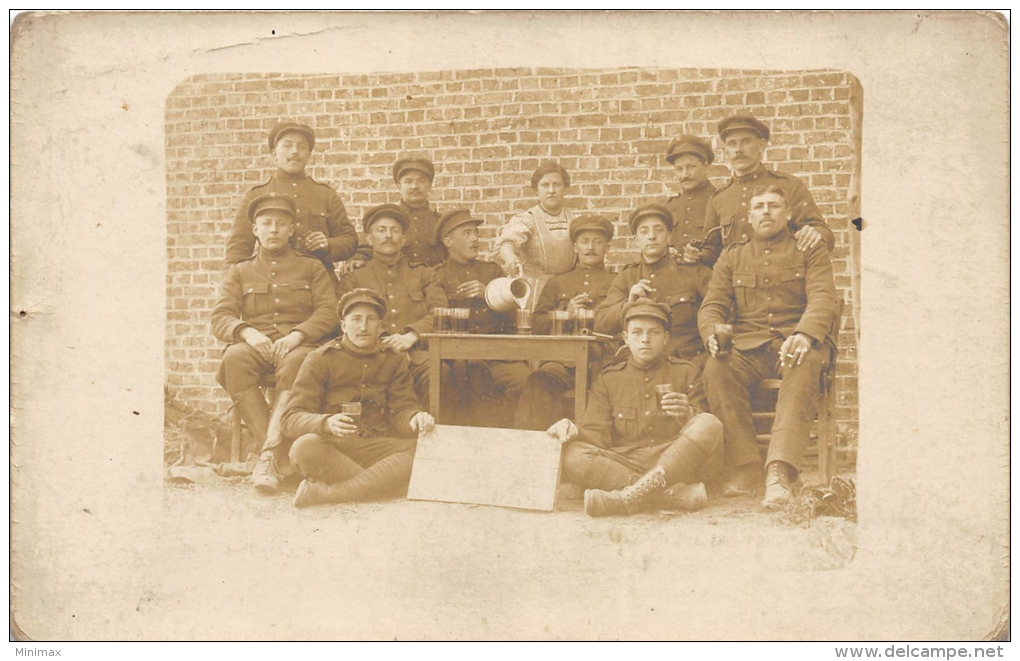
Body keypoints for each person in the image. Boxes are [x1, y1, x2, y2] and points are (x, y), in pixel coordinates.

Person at [698, 184, 838, 509]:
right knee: (717, 368)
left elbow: (823, 297)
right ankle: (746, 468)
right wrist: (711, 334)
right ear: (749, 217)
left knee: (801, 363)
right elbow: (712, 305)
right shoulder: (732, 255)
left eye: (773, 206)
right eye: (758, 206)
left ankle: (779, 472)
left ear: (788, 214)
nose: (765, 212)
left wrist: (804, 335)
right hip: (750, 347)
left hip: (799, 340)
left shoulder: (809, 249)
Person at [546, 298, 724, 517]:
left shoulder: (686, 372)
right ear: (626, 338)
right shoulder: (609, 379)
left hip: (677, 462)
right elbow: (597, 435)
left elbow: (704, 431)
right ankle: (667, 496)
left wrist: (687, 414)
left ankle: (627, 497)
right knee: (571, 454)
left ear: (665, 338)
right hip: (626, 462)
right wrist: (575, 430)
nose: (645, 340)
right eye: (637, 332)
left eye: (654, 333)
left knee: (709, 423)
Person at [211, 194, 339, 495]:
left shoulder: (311, 268)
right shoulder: (240, 270)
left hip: (298, 347)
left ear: (291, 229)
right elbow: (221, 316)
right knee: (234, 359)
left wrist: (298, 335)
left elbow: (328, 312)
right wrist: (246, 332)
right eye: (266, 224)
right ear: (255, 229)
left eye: (281, 224)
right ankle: (275, 455)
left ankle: (267, 457)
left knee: (300, 362)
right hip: (257, 347)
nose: (273, 230)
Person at [281, 289, 436, 508]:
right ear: (343, 325)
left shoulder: (393, 359)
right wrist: (325, 422)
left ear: (380, 325)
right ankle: (384, 485)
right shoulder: (319, 359)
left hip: (375, 447)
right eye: (356, 319)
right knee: (303, 447)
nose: (363, 327)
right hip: (335, 447)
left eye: (370, 319)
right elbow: (290, 418)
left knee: (421, 450)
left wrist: (414, 417)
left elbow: (403, 407)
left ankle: (331, 494)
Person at [514, 213, 618, 431]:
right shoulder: (558, 283)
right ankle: (534, 448)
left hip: (604, 362)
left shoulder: (617, 282)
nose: (591, 247)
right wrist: (565, 313)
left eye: (598, 242)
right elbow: (536, 325)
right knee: (538, 381)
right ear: (575, 247)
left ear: (607, 248)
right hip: (564, 364)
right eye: (585, 241)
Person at [224, 121, 358, 286]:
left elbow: (350, 240)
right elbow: (238, 249)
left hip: (318, 284)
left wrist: (328, 244)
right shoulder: (257, 196)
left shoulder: (325, 195)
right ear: (274, 153)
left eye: (301, 147)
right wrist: (233, 289)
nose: (295, 152)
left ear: (309, 154)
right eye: (287, 145)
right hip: (272, 285)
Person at [337, 204, 446, 402]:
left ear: (403, 239)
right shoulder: (354, 278)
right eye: (381, 230)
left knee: (438, 373)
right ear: (369, 239)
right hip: (370, 353)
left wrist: (412, 335)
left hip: (416, 354)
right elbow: (345, 318)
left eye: (395, 230)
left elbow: (439, 312)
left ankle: (430, 430)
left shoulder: (423, 274)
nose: (388, 235)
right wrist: (385, 343)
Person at [431, 209, 529, 426]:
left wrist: (489, 294)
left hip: (497, 355)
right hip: (459, 358)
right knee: (473, 376)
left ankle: (506, 433)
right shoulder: (436, 276)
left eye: (475, 233)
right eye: (466, 234)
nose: (475, 239)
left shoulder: (491, 271)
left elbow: (512, 319)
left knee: (524, 379)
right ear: (448, 241)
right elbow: (435, 319)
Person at [595, 204, 712, 369]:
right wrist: (627, 304)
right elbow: (600, 323)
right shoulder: (627, 276)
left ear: (669, 236)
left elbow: (721, 311)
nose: (651, 236)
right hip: (639, 367)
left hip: (686, 364)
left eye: (658, 230)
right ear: (636, 240)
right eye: (644, 231)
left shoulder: (693, 272)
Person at [704, 112, 834, 260]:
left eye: (746, 142)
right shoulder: (719, 199)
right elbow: (712, 254)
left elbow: (825, 234)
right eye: (732, 143)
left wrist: (814, 234)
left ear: (761, 145)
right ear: (725, 151)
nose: (738, 149)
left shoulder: (789, 186)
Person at [491, 161, 578, 306]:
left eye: (557, 184)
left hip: (567, 290)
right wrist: (510, 256)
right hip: (535, 293)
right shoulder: (527, 219)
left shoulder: (576, 219)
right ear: (536, 190)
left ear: (565, 189)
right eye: (545, 185)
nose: (551, 190)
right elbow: (508, 242)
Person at [352, 156, 447, 269]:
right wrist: (357, 259)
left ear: (430, 185)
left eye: (421, 181)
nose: (415, 186)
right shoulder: (385, 219)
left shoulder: (442, 222)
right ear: (399, 186)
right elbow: (363, 250)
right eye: (408, 181)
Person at [663, 134, 720, 266]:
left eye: (691, 167)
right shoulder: (669, 207)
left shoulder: (720, 201)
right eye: (679, 169)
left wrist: (702, 255)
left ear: (705, 167)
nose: (684, 175)